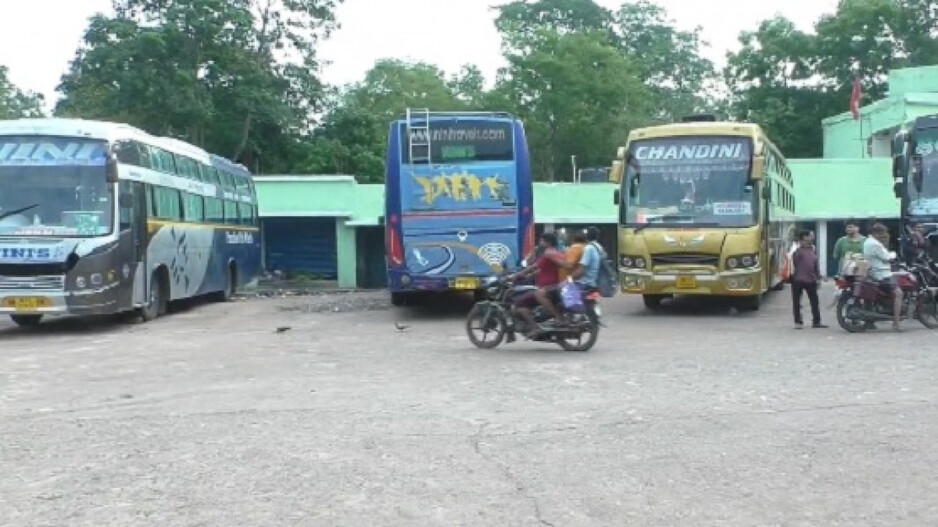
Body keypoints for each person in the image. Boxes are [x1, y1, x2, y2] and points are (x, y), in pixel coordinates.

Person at [513, 232, 567, 337]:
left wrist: (519, 274)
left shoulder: (549, 252)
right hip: (550, 285)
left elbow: (534, 266)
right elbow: (543, 268)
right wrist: (529, 276)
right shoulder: (553, 252)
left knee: (519, 304)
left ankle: (536, 327)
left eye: (542, 240)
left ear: (548, 242)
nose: (541, 242)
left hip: (548, 287)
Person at [864, 223, 902, 331]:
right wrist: (893, 255)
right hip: (881, 274)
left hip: (875, 272)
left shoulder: (868, 241)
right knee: (899, 293)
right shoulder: (875, 244)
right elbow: (886, 257)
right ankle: (896, 322)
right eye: (883, 233)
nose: (885, 235)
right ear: (876, 233)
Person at [790, 229, 827, 329]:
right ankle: (798, 322)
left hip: (811, 280)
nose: (813, 237)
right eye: (811, 235)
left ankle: (816, 321)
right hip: (798, 280)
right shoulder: (796, 250)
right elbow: (794, 263)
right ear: (805, 237)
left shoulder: (812, 249)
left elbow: (815, 265)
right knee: (797, 302)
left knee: (814, 301)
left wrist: (818, 277)